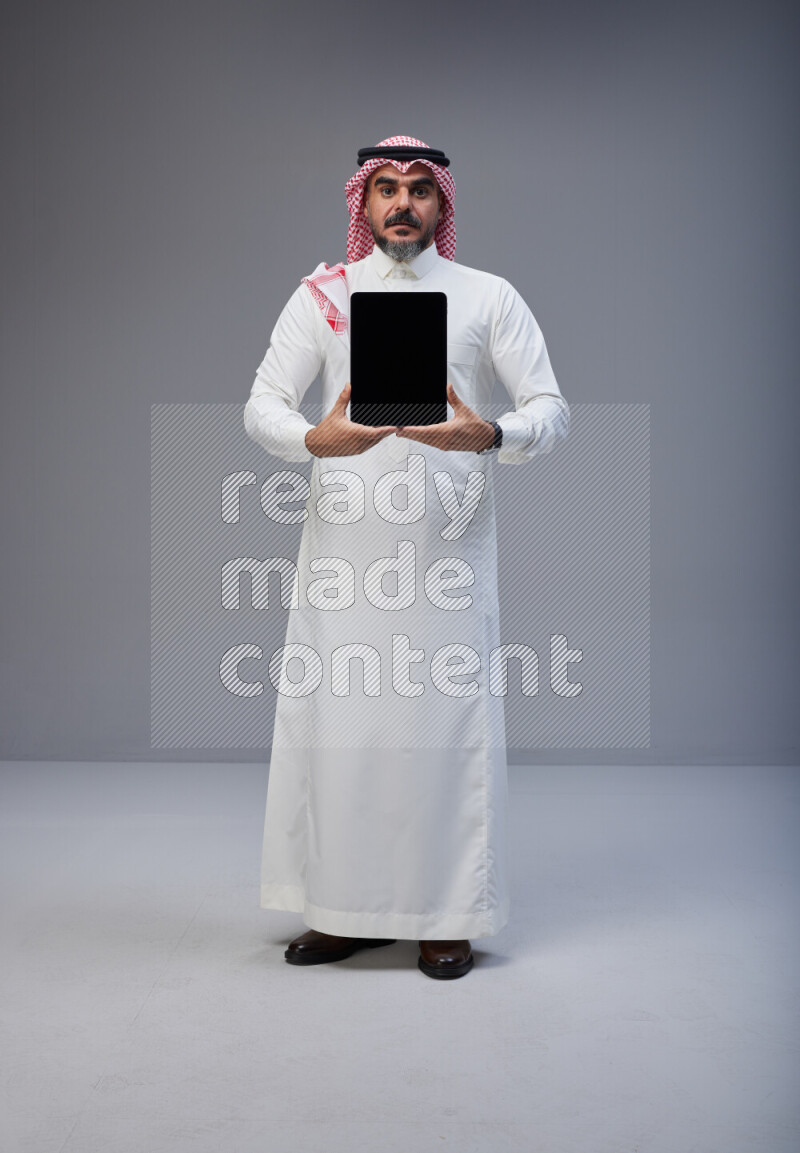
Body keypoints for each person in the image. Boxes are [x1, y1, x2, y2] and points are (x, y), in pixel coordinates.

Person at [244, 135, 569, 979]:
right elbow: (263, 407)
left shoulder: (488, 296)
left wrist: (491, 433)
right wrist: (312, 438)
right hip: (345, 553)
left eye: (419, 190)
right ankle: (342, 910)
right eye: (385, 188)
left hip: (446, 555)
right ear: (363, 201)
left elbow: (551, 409)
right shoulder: (324, 295)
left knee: (443, 731)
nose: (401, 204)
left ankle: (445, 915)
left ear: (442, 204)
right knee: (342, 731)